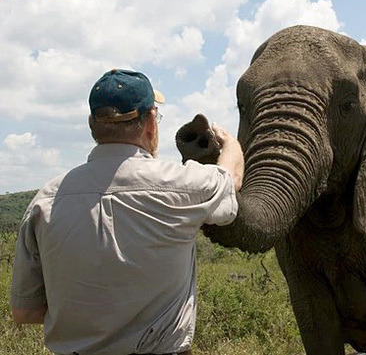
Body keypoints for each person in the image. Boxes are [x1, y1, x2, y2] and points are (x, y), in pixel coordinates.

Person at [10, 69, 244, 355]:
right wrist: (230, 142)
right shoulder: (183, 185)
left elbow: (24, 312)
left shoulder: (44, 201)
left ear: (91, 124)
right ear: (149, 123)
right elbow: (229, 180)